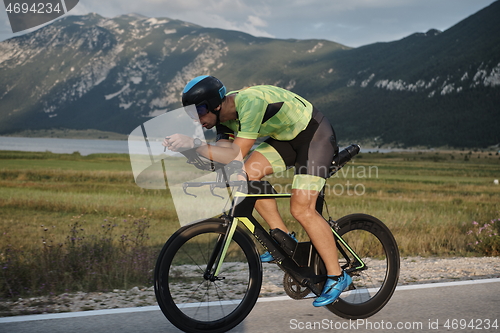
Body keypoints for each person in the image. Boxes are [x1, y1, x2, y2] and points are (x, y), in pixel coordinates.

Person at [163, 75, 351, 307]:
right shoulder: (222, 120)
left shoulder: (249, 103)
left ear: (216, 104)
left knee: (302, 209)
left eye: (199, 112)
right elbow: (222, 157)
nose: (197, 120)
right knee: (246, 176)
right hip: (285, 138)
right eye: (191, 115)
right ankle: (283, 239)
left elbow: (234, 154)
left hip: (313, 135)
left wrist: (195, 144)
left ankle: (337, 276)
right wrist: (190, 151)